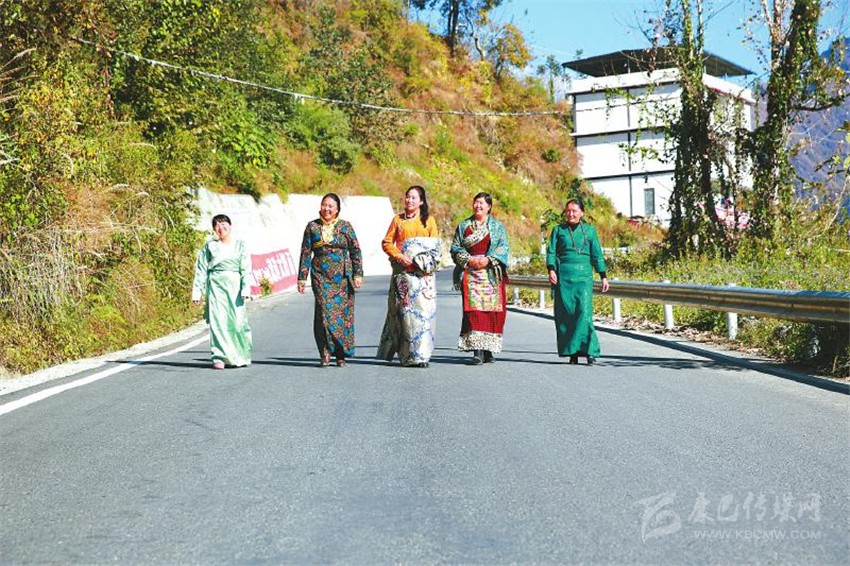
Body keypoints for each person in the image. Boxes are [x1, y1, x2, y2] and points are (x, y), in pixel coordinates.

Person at [377, 185, 441, 368]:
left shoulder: (429, 221)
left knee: (423, 315)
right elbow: (387, 243)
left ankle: (421, 355)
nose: (409, 200)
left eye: (414, 198)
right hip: (402, 274)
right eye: (407, 197)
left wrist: (420, 263)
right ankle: (406, 355)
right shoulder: (398, 220)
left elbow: (435, 248)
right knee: (405, 315)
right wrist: (399, 256)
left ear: (421, 201)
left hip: (422, 276)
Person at [297, 193, 364, 367]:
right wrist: (302, 278)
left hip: (342, 278)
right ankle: (325, 352)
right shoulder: (312, 227)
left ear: (337, 209)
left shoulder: (345, 227)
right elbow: (306, 253)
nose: (326, 209)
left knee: (342, 314)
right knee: (323, 312)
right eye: (324, 205)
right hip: (320, 276)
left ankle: (340, 353)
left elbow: (355, 251)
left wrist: (358, 274)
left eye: (330, 206)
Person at [546, 198, 609, 365]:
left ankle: (590, 351)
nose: (571, 214)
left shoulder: (590, 231)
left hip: (584, 278)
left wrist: (603, 275)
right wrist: (551, 269)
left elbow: (597, 254)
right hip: (564, 278)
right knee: (567, 316)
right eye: (568, 211)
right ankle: (572, 352)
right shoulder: (558, 230)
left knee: (584, 313)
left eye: (574, 211)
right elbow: (551, 252)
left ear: (582, 213)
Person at [450, 192, 510, 365]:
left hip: (491, 275)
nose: (478, 206)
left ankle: (488, 350)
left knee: (493, 313)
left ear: (489, 206)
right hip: (471, 275)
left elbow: (503, 247)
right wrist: (468, 260)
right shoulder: (464, 226)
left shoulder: (497, 227)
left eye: (481, 203)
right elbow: (455, 248)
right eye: (476, 202)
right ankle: (477, 351)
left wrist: (488, 260)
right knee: (474, 313)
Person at [191, 214, 253, 369]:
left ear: (230, 226)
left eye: (223, 223)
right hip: (216, 287)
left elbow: (246, 268)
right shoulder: (210, 246)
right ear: (214, 229)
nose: (221, 227)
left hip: (235, 287)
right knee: (218, 321)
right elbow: (201, 269)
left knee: (237, 322)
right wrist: (197, 291)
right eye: (217, 225)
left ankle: (240, 355)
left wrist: (246, 287)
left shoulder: (240, 245)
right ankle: (219, 357)